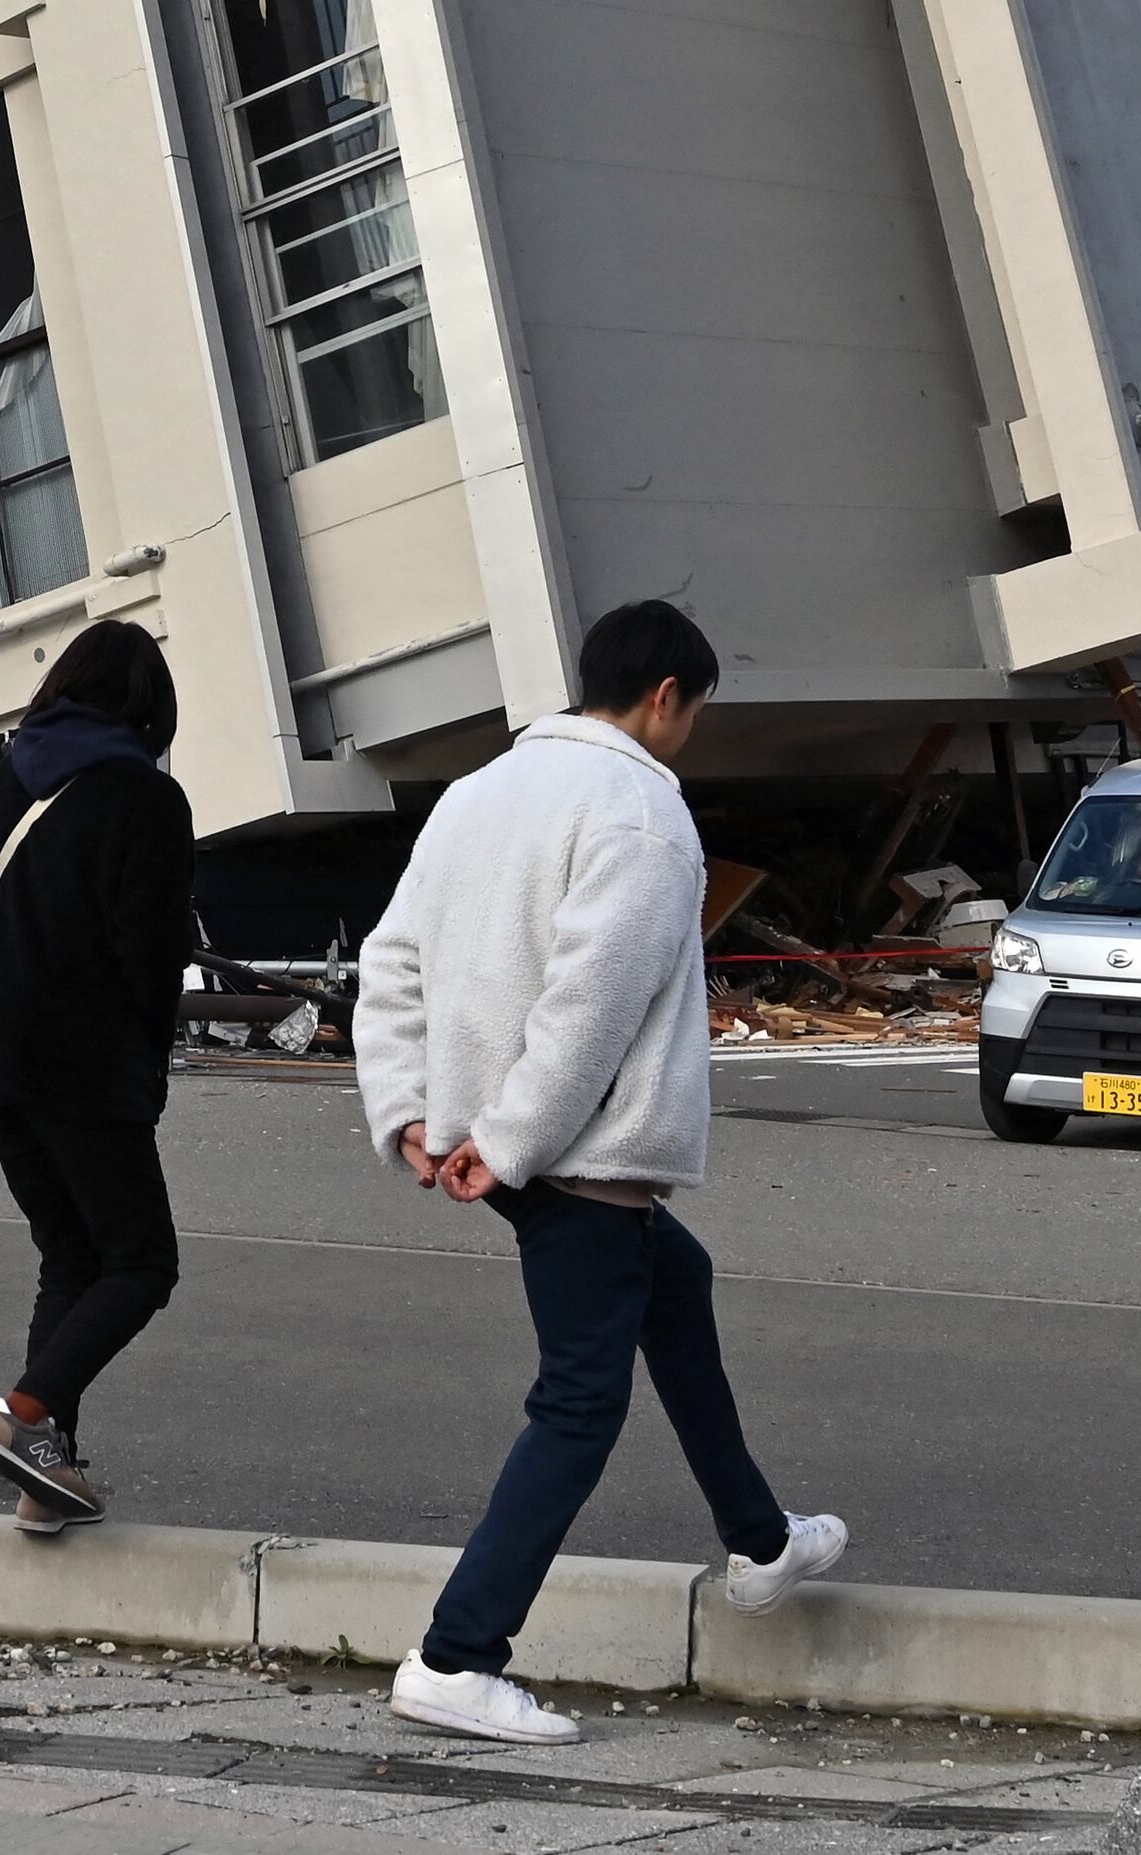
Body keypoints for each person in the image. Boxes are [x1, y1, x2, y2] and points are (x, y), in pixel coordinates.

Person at [356, 597, 844, 1747]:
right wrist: (511, 1137)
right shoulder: (639, 810)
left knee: (674, 1288)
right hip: (570, 1153)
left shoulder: (474, 795)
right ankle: (454, 1655)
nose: (691, 733)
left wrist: (413, 1113)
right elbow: (592, 1005)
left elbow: (392, 960)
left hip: (499, 1144)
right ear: (667, 696)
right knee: (578, 1403)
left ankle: (761, 1543)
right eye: (696, 712)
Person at [0, 619, 195, 1535]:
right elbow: (147, 955)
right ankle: (20, 1415)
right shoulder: (145, 799)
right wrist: (147, 1064)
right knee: (141, 1260)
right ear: (151, 708)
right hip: (86, 1065)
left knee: (71, 1256)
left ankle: (45, 1477)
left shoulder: (12, 774)